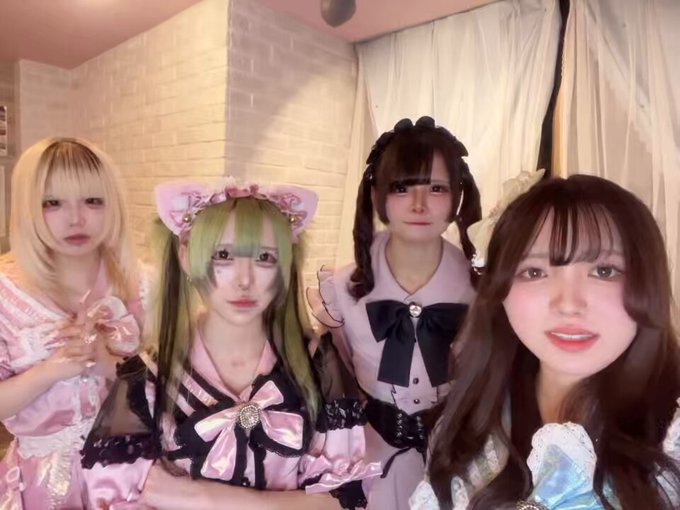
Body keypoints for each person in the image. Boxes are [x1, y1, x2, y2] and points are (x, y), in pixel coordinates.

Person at [82, 179, 381, 509]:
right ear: (186, 256)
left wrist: (201, 497)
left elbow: (341, 500)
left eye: (265, 257)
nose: (244, 280)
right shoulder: (149, 377)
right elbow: (117, 497)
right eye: (223, 255)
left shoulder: (316, 364)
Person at [411, 174, 680, 509]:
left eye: (604, 271)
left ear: (649, 283)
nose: (568, 304)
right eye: (535, 272)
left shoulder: (673, 439)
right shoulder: (464, 424)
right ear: (499, 291)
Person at [308, 117, 481, 510]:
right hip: (371, 456)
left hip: (459, 458)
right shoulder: (340, 287)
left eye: (436, 188)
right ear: (377, 195)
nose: (419, 204)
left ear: (457, 196)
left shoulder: (481, 287)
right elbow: (341, 369)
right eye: (402, 188)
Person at [0, 137, 144, 509]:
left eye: (93, 200)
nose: (76, 218)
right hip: (43, 485)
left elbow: (172, 390)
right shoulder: (5, 292)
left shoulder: (142, 284)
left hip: (132, 478)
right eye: (52, 203)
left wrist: (109, 363)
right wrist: (49, 371)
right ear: (28, 208)